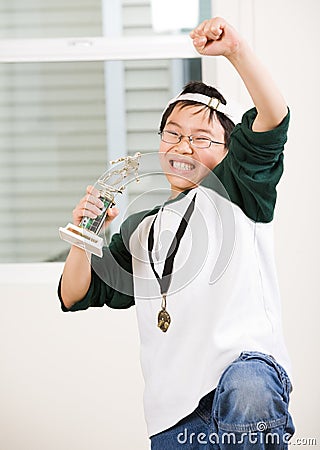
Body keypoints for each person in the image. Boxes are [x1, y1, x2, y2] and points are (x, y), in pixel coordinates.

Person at [58, 17, 295, 449]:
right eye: (173, 134)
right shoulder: (140, 229)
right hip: (173, 412)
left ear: (229, 152)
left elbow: (273, 117)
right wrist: (83, 237)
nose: (184, 146)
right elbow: (74, 293)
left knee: (248, 389)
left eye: (202, 137)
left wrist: (236, 50)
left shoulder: (237, 187)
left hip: (242, 380)